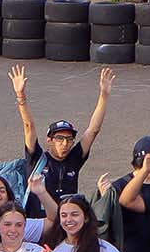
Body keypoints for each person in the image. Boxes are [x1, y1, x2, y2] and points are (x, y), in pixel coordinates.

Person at [12, 64, 112, 202]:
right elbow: (29, 126)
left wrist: (104, 96)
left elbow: (93, 130)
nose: (65, 143)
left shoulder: (74, 159)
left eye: (69, 139)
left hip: (67, 219)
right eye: (59, 138)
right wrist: (21, 96)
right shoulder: (36, 158)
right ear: (49, 139)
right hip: (40, 222)